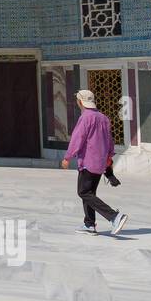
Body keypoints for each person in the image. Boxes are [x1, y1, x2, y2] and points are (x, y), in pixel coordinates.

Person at [63, 88, 128, 235]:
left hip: (88, 162)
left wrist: (68, 157)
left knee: (83, 192)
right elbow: (110, 141)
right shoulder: (103, 118)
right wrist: (109, 157)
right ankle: (89, 224)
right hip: (100, 163)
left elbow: (77, 138)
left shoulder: (85, 118)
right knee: (90, 193)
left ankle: (114, 216)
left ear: (80, 102)